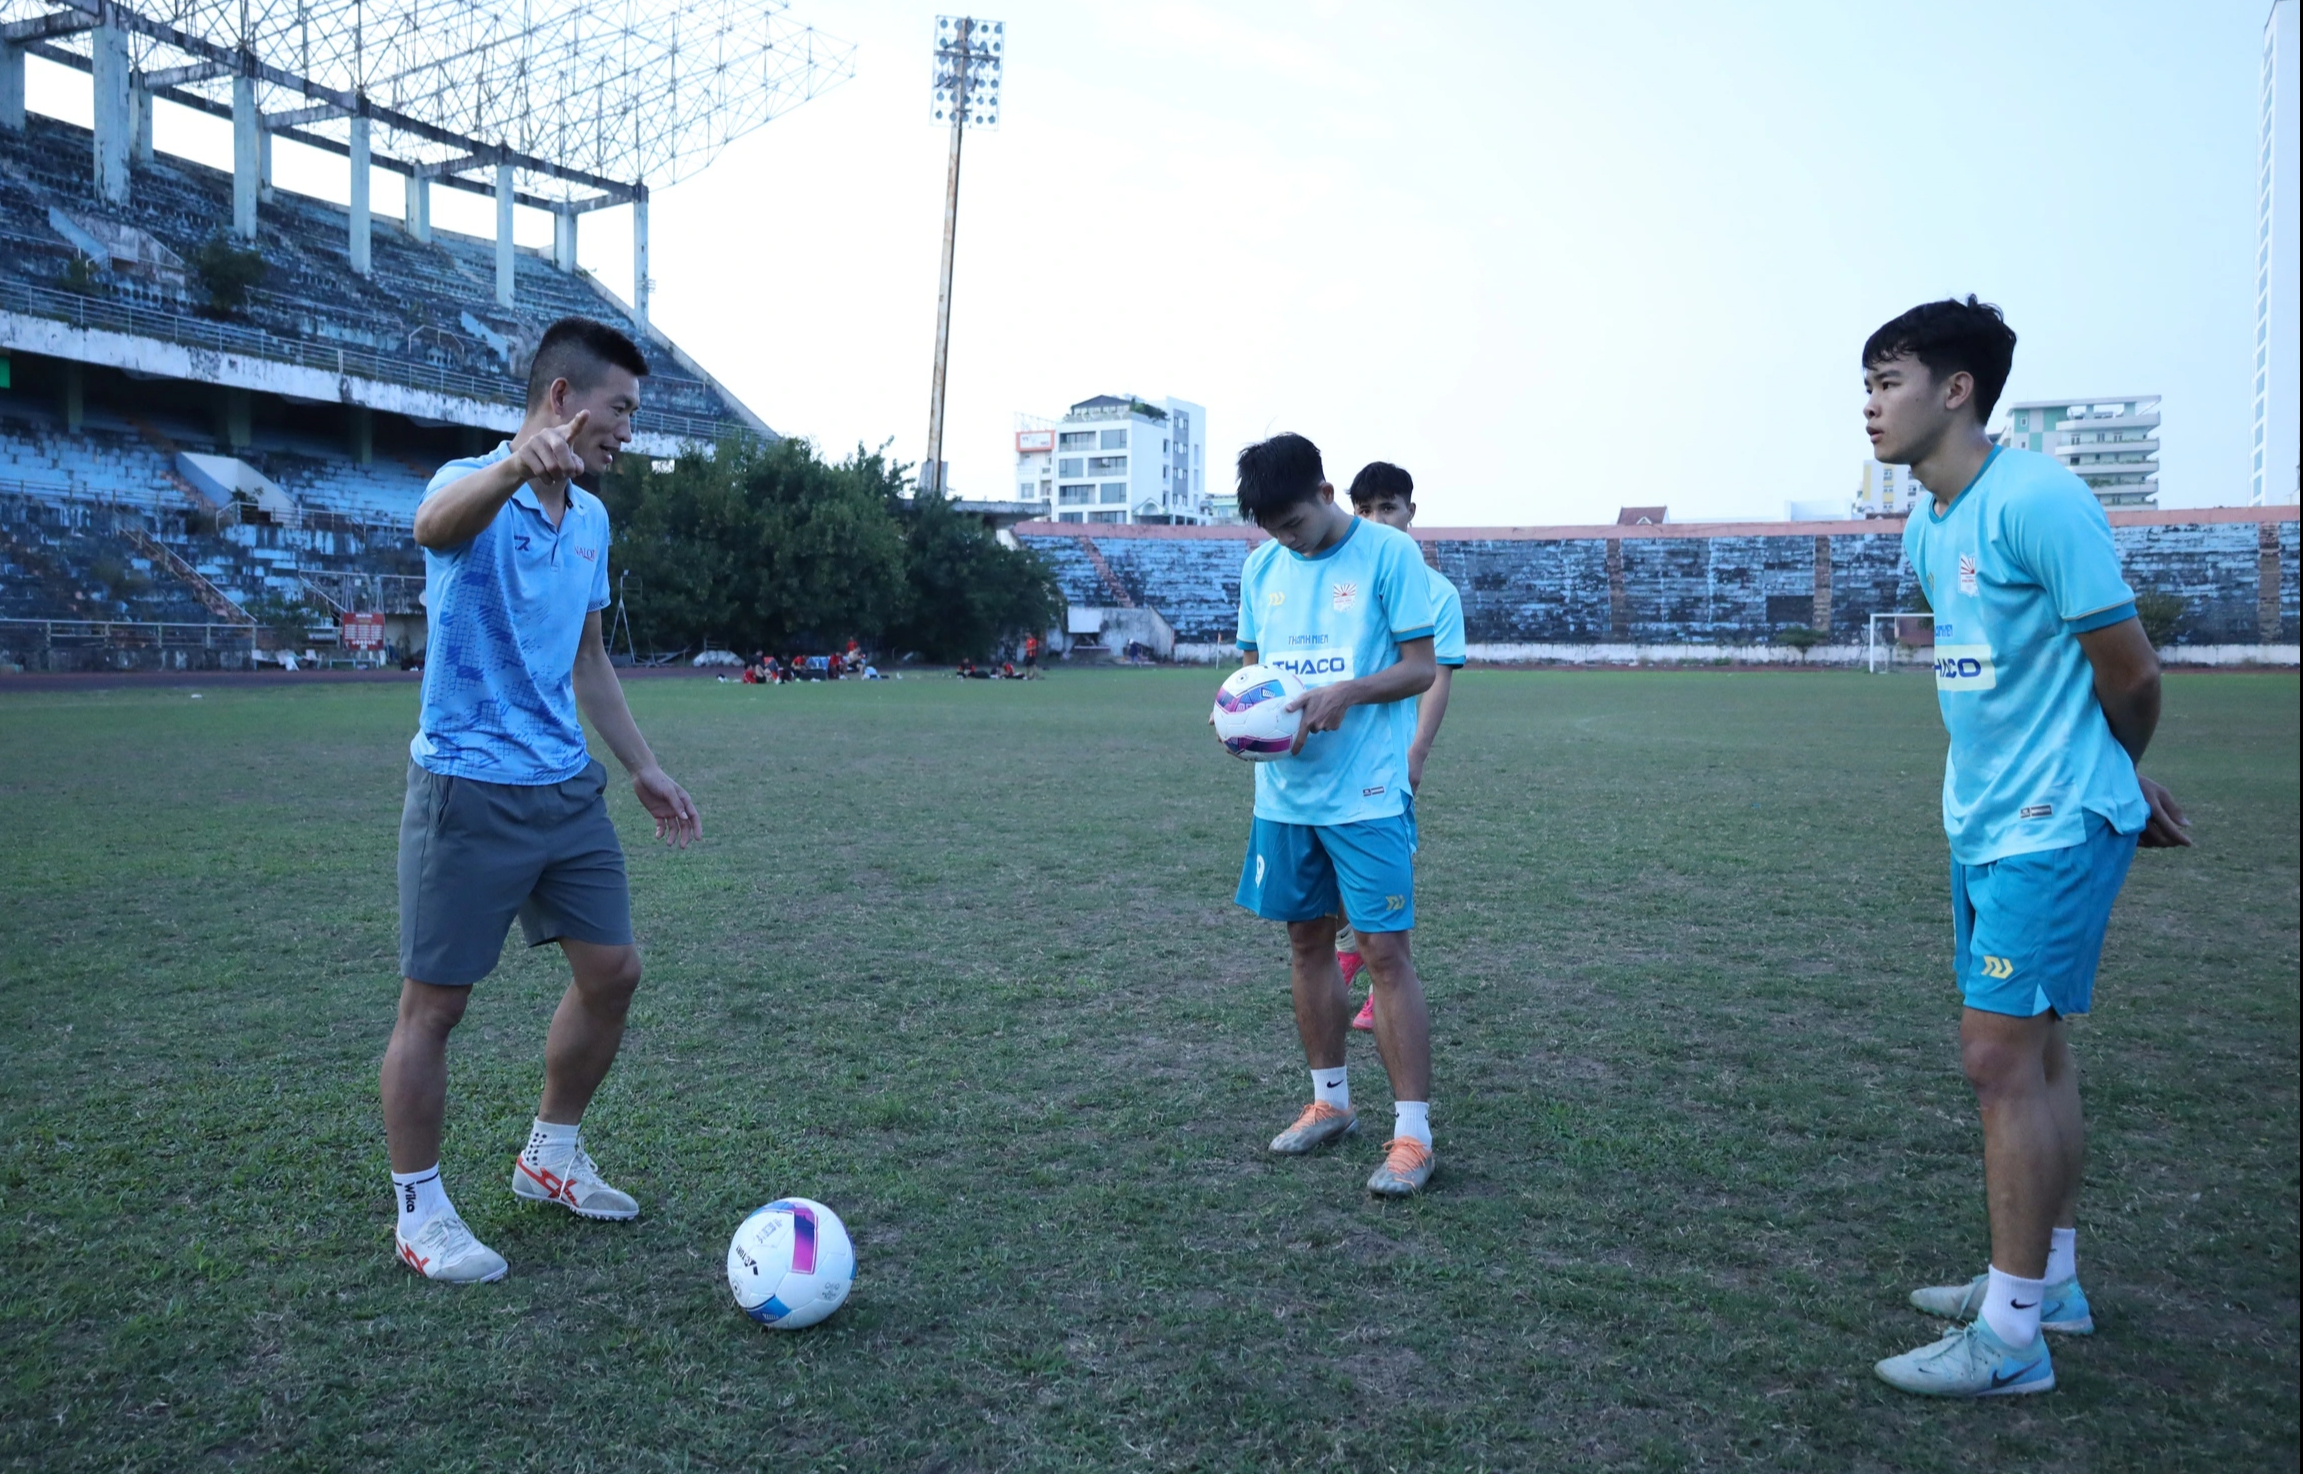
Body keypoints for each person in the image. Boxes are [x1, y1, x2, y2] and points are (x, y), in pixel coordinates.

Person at [1860, 297, 2191, 1397]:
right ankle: (2046, 1285)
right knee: (2036, 1057)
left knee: (1996, 1060)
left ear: (1954, 390)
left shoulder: (2038, 497)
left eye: (1887, 382)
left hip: (2049, 821)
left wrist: (2109, 774)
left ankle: (2008, 1342)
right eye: (1867, 386)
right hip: (1984, 817)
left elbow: (2130, 671)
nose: (1869, 406)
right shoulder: (1927, 523)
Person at [384, 316, 703, 1285]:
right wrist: (512, 468)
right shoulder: (469, 483)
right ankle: (420, 1213)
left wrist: (642, 765)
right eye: (620, 410)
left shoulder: (592, 522)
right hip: (468, 783)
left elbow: (589, 657)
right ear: (561, 398)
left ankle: (550, 1156)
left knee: (613, 972)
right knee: (434, 1009)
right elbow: (432, 529)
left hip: (565, 786)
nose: (628, 432)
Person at [1228, 432, 1441, 1197]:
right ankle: (1331, 1104)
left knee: (1383, 953)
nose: (1286, 541)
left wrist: (1347, 691)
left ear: (1324, 495)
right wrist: (1239, 723)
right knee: (1305, 944)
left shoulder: (1388, 554)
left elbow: (1420, 668)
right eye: (1273, 530)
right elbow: (1252, 677)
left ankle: (1412, 1137)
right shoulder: (1261, 568)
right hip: (1284, 798)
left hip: (1367, 795)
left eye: (1294, 523)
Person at [1329, 462, 1467, 1031]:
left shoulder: (1437, 593)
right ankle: (1346, 951)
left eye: (1388, 507)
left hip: (1388, 758)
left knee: (1386, 872)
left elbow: (1436, 677)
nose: (1377, 520)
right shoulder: (1339, 580)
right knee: (1332, 869)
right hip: (1335, 753)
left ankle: (1377, 980)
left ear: (1411, 511)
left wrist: (1416, 754)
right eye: (1364, 510)